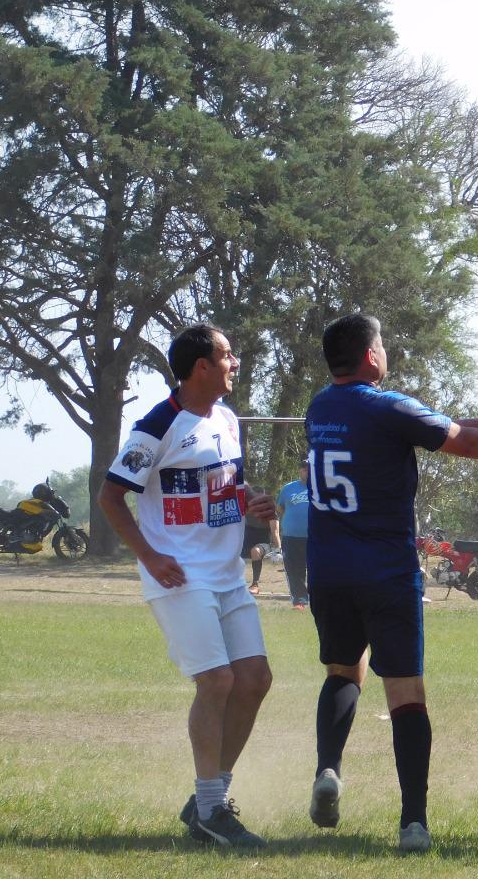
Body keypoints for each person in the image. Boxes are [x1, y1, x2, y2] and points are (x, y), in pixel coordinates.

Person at [305, 314, 478, 854]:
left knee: (344, 669)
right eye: (382, 344)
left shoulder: (322, 407)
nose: (386, 351)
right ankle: (413, 822)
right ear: (371, 357)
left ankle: (329, 769)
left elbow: (415, 426)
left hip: (329, 570)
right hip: (386, 571)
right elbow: (462, 444)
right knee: (406, 691)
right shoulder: (387, 406)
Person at [98, 323, 278, 849]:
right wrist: (150, 556)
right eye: (227, 355)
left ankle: (208, 802)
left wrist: (250, 503)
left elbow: (224, 488)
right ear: (202, 366)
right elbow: (112, 496)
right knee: (217, 682)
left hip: (227, 576)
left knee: (255, 679)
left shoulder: (225, 418)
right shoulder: (156, 426)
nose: (234, 363)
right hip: (179, 575)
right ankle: (210, 809)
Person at [276, 461, 311, 609]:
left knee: (318, 568)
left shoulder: (322, 488)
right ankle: (300, 600)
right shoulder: (288, 488)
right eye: (303, 469)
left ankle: (319, 597)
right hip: (291, 537)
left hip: (316, 537)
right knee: (294, 569)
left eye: (309, 469)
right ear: (299, 471)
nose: (306, 472)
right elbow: (280, 508)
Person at [242, 488, 279, 596]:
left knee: (255, 551)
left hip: (264, 545)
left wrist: (278, 550)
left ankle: (255, 585)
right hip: (244, 544)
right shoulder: (242, 510)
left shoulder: (271, 513)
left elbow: (275, 532)